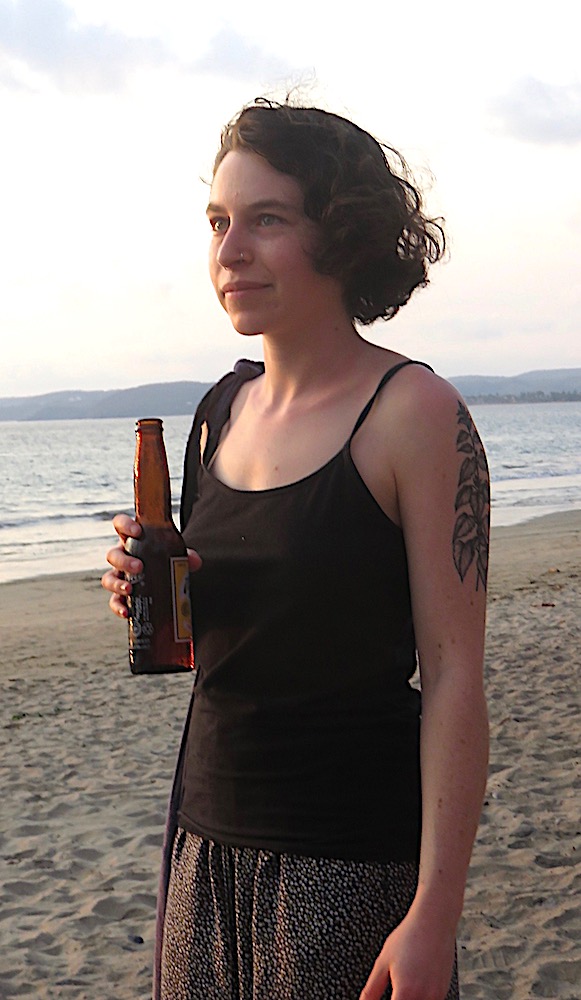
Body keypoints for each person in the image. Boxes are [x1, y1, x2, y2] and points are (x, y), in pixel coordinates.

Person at [102, 98, 490, 1000]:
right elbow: (236, 635)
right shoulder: (217, 414)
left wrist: (434, 916)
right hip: (204, 844)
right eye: (217, 222)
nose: (230, 251)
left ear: (342, 234)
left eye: (266, 220)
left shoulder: (413, 414)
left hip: (348, 863)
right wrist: (146, 587)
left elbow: (454, 677)